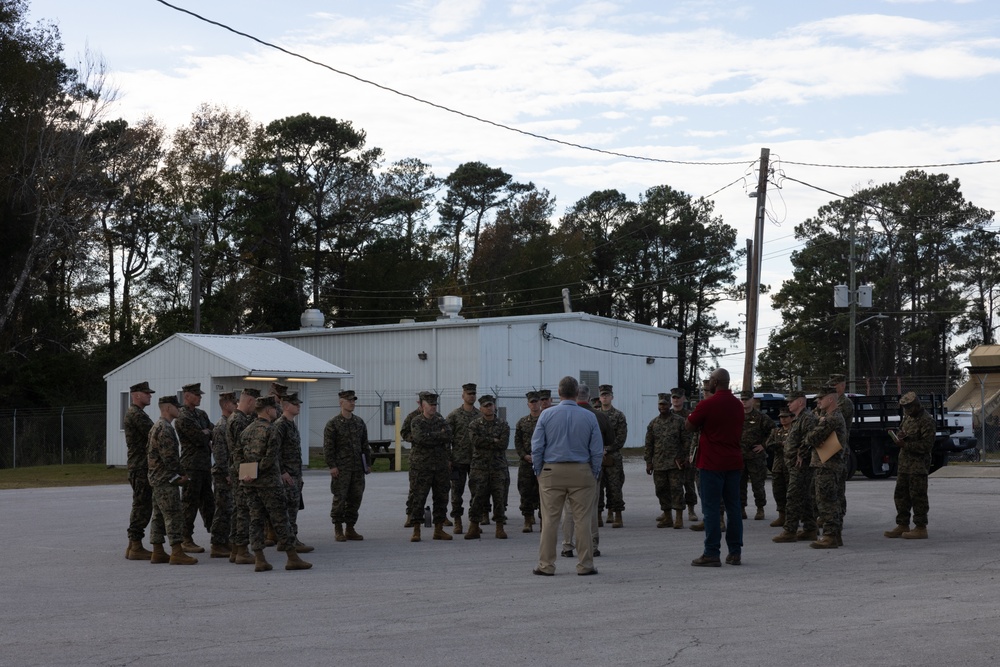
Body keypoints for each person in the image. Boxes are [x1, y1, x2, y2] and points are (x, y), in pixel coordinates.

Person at [531, 376, 603, 577]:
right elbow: (596, 450)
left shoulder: (546, 415)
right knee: (583, 521)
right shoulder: (589, 417)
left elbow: (537, 446)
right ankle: (586, 564)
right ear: (576, 393)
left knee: (550, 521)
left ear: (559, 392)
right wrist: (593, 472)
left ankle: (546, 565)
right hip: (582, 472)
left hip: (552, 471)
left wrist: (538, 471)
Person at [238, 396, 312, 572]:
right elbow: (272, 457)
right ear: (268, 410)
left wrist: (248, 474)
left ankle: (260, 559)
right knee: (281, 519)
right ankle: (292, 558)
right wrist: (257, 472)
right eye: (274, 407)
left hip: (250, 484)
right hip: (269, 483)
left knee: (256, 520)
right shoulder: (271, 430)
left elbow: (237, 456)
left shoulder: (247, 430)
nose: (276, 410)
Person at [685, 368, 744, 567]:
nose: (708, 382)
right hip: (733, 462)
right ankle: (735, 552)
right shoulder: (738, 405)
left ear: (716, 382)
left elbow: (689, 425)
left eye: (710, 379)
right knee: (734, 508)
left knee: (710, 509)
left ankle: (711, 552)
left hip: (711, 463)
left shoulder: (707, 404)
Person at [560, 384, 609, 559]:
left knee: (569, 510)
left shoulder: (559, 414)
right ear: (589, 398)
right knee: (590, 508)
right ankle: (592, 545)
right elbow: (607, 442)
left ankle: (567, 546)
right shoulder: (598, 416)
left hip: (565, 467)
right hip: (589, 467)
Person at [146, 395, 197, 565]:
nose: (180, 409)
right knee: (174, 514)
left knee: (159, 515)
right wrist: (182, 475)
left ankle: (158, 551)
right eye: (176, 406)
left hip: (157, 478)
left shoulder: (156, 426)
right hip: (166, 480)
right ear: (167, 408)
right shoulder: (166, 429)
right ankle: (177, 551)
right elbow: (170, 458)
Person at [884, 392, 935, 540]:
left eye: (909, 407)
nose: (906, 410)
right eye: (905, 408)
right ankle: (902, 524)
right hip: (904, 464)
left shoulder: (927, 421)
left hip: (918, 466)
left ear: (916, 405)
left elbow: (926, 445)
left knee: (918, 496)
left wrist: (905, 444)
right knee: (901, 496)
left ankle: (920, 527)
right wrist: (900, 436)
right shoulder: (908, 417)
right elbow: (904, 431)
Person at [324, 389, 373, 542]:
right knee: (340, 498)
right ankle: (338, 528)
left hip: (357, 468)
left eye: (353, 400)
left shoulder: (359, 422)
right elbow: (328, 447)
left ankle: (350, 528)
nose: (352, 403)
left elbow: (365, 445)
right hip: (341, 469)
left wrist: (368, 464)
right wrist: (332, 465)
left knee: (356, 497)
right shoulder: (333, 424)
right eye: (349, 400)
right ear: (341, 402)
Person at [773, 390, 819, 544]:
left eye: (791, 401)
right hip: (793, 464)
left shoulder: (807, 418)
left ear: (800, 402)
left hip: (802, 465)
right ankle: (810, 529)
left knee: (792, 496)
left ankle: (790, 530)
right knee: (804, 497)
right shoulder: (799, 419)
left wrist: (801, 454)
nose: (788, 404)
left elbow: (810, 438)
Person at [173, 382, 214, 553]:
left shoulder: (201, 414)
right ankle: (185, 538)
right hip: (191, 466)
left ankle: (218, 537)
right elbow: (199, 438)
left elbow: (214, 431)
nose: (199, 398)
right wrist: (205, 433)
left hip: (204, 465)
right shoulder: (183, 416)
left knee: (208, 502)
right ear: (186, 396)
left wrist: (206, 432)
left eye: (200, 395)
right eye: (196, 395)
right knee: (190, 503)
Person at [804, 386, 847, 549]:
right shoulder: (832, 417)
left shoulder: (831, 419)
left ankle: (830, 536)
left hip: (827, 464)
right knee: (832, 501)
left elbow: (811, 438)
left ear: (830, 399)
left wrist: (812, 437)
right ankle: (835, 535)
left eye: (821, 399)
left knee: (826, 501)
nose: (818, 402)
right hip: (829, 464)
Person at [407, 392, 454, 542]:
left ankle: (438, 529)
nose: (433, 407)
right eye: (430, 404)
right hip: (422, 467)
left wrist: (430, 436)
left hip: (440, 466)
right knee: (418, 498)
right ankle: (416, 530)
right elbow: (420, 439)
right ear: (422, 406)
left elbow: (448, 435)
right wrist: (437, 436)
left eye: (435, 404)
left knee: (441, 498)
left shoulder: (441, 420)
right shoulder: (416, 421)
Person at [465, 395, 511, 539]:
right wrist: (493, 440)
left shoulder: (503, 424)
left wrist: (486, 441)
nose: (488, 408)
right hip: (479, 468)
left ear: (494, 406)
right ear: (481, 408)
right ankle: (474, 527)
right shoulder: (474, 424)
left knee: (499, 498)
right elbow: (475, 441)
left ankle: (499, 527)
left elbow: (503, 444)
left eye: (490, 405)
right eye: (485, 406)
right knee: (477, 497)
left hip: (498, 467)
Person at [645, 393, 688, 529]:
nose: (662, 407)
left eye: (665, 404)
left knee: (676, 489)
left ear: (670, 405)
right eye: (660, 404)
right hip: (659, 464)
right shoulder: (653, 423)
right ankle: (667, 517)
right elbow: (649, 444)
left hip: (675, 463)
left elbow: (687, 440)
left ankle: (679, 518)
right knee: (661, 490)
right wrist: (648, 462)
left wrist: (685, 457)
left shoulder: (679, 421)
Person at [275, 391, 313, 552]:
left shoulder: (291, 424)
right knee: (288, 508)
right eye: (295, 404)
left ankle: (289, 539)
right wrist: (282, 472)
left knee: (294, 507)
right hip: (287, 475)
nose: (298, 407)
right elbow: (275, 452)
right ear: (286, 406)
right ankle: (289, 540)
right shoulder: (280, 425)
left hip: (295, 474)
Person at [227, 387, 260, 565]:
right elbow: (244, 450)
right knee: (243, 511)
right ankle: (241, 550)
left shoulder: (236, 418)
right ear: (250, 401)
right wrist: (248, 474)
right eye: (256, 402)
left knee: (238, 511)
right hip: (242, 470)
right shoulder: (239, 421)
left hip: (238, 468)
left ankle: (235, 549)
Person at [123, 381, 155, 560]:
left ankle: (133, 545)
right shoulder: (136, 414)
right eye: (146, 393)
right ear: (136, 395)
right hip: (141, 465)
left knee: (141, 503)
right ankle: (135, 544)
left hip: (141, 465)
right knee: (142, 505)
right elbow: (154, 433)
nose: (149, 395)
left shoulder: (137, 413)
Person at [446, 383, 480, 532]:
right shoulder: (454, 415)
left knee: (477, 493)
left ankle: (474, 522)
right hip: (458, 460)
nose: (471, 396)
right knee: (456, 493)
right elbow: (446, 438)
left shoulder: (479, 415)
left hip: (476, 461)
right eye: (469, 394)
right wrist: (448, 458)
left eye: (473, 394)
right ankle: (457, 521)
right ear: (463, 396)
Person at [208, 391, 236, 559]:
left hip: (228, 472)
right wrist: (226, 473)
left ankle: (224, 540)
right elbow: (219, 453)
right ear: (226, 405)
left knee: (229, 509)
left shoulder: (229, 423)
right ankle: (217, 544)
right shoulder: (221, 426)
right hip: (222, 475)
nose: (236, 405)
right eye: (234, 403)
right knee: (222, 509)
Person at [739, 390, 774, 520]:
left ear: (752, 400)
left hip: (756, 457)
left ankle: (760, 508)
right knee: (739, 485)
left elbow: (773, 432)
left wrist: (764, 445)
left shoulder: (761, 417)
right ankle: (741, 508)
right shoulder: (736, 416)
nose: (744, 402)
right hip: (740, 457)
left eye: (747, 399)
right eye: (742, 399)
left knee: (758, 485)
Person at [598, 384, 628, 528]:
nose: (605, 397)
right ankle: (598, 515)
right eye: (603, 395)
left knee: (615, 487)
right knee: (597, 487)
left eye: (607, 395)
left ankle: (617, 515)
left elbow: (621, 437)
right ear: (599, 397)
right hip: (597, 456)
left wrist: (608, 448)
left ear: (612, 397)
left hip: (613, 456)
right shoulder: (594, 414)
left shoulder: (618, 415)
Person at [670, 388, 700, 522]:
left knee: (689, 484)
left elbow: (694, 436)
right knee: (673, 485)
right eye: (674, 397)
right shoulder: (667, 415)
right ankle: (672, 511)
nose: (676, 400)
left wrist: (690, 455)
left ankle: (691, 510)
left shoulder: (690, 415)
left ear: (684, 399)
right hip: (671, 456)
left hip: (687, 455)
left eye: (678, 397)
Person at [514, 391, 542, 533]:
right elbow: (517, 442)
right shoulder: (522, 422)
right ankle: (527, 519)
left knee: (543, 492)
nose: (534, 404)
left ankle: (544, 520)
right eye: (531, 402)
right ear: (528, 404)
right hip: (526, 463)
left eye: (536, 401)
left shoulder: (546, 419)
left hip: (542, 462)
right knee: (525, 491)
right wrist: (524, 455)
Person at [829, 373, 854, 518]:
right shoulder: (831, 401)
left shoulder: (844, 403)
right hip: (829, 445)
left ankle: (839, 512)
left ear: (843, 385)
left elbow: (833, 422)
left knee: (838, 483)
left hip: (839, 445)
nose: (833, 388)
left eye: (835, 385)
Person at [766, 407, 793, 528]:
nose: (783, 419)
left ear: (791, 418)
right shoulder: (776, 432)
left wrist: (782, 445)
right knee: (778, 491)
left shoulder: (794, 431)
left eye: (786, 417)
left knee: (791, 492)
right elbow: (769, 444)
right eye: (781, 417)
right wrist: (781, 444)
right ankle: (782, 515)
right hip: (778, 465)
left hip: (790, 465)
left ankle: (792, 516)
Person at [400, 393, 422, 528]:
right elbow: (404, 432)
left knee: (439, 490)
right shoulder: (412, 416)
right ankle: (410, 515)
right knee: (415, 489)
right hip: (418, 458)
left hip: (435, 459)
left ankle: (441, 517)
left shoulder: (436, 416)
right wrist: (415, 438)